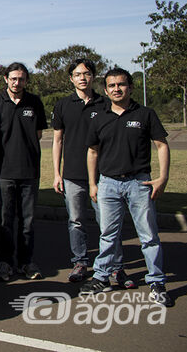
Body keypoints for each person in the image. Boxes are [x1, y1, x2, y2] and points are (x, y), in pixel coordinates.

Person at [80, 68, 174, 307]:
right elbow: (92, 152)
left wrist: (162, 178)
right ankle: (101, 277)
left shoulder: (145, 114)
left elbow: (161, 145)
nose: (117, 89)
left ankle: (156, 282)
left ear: (131, 87)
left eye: (121, 85)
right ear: (106, 90)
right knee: (107, 235)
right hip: (108, 184)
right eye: (111, 86)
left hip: (139, 183)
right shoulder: (99, 118)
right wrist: (93, 183)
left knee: (148, 236)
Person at [52, 59, 134, 287]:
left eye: (87, 73)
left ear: (93, 77)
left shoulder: (105, 103)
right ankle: (80, 262)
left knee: (107, 224)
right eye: (77, 74)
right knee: (76, 221)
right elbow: (57, 140)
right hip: (72, 175)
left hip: (103, 175)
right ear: (71, 78)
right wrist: (57, 173)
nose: (82, 78)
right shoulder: (62, 105)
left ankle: (116, 268)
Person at [0, 62, 47, 281]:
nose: (17, 82)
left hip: (29, 171)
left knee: (28, 222)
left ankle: (26, 262)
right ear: (6, 79)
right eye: (13, 78)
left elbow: (38, 134)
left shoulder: (34, 102)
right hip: (4, 172)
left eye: (21, 79)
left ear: (26, 81)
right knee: (5, 221)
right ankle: (5, 262)